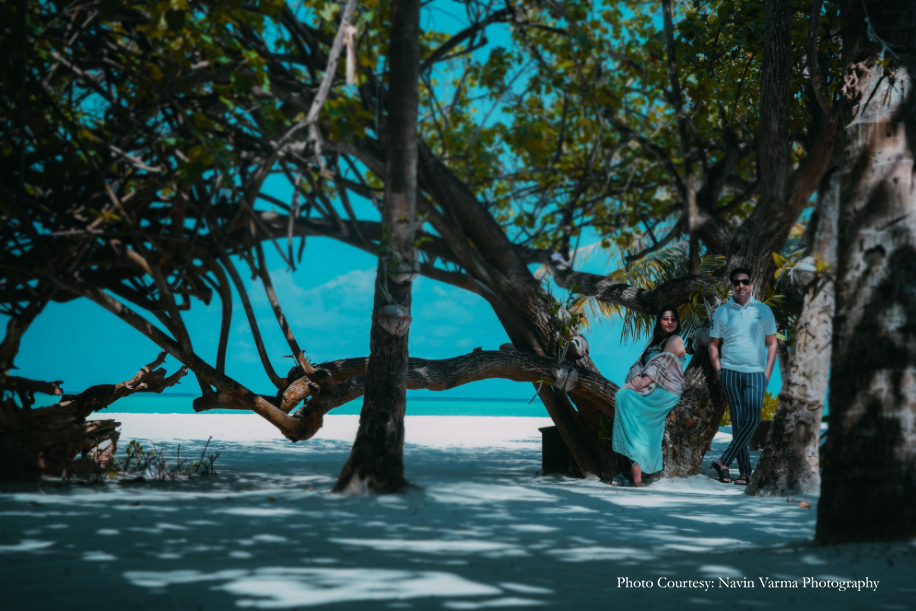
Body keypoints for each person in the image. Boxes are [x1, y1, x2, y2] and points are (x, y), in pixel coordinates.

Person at [709, 267, 778, 485]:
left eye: (745, 282)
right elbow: (713, 345)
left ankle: (723, 460)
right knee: (739, 423)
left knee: (753, 419)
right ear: (731, 286)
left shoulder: (764, 310)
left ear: (751, 285)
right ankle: (746, 472)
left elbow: (773, 343)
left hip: (756, 373)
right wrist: (718, 370)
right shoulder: (721, 312)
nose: (741, 286)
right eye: (736, 282)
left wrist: (767, 374)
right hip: (729, 372)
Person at [611, 304, 686, 487]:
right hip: (648, 386)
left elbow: (662, 363)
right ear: (659, 321)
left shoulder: (676, 339)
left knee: (624, 396)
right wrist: (636, 377)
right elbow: (639, 362)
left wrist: (642, 382)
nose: (669, 322)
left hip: (664, 391)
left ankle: (639, 465)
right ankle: (637, 462)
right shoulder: (654, 341)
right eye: (665, 318)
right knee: (623, 398)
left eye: (673, 319)